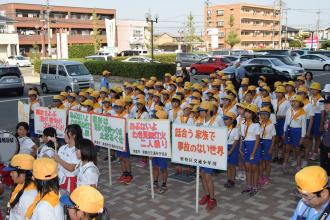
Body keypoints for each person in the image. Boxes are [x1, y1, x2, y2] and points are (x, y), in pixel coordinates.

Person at [196, 101, 217, 210]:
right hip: (201, 152)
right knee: (202, 174)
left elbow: (218, 137)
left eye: (201, 111)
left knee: (208, 176)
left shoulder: (215, 122)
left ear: (208, 111)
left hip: (210, 153)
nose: (199, 112)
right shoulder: (200, 121)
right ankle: (207, 195)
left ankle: (212, 199)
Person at [4, 154, 37, 220]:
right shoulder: (20, 186)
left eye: (13, 172)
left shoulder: (29, 196)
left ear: (23, 174)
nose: (10, 174)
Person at [53, 124, 83, 193]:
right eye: (64, 133)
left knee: (69, 201)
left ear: (74, 135)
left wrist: (59, 160)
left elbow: (71, 168)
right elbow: (57, 162)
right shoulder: (63, 148)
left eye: (67, 133)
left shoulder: (78, 150)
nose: (64, 136)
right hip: (59, 178)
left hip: (70, 180)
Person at [240, 104, 261, 197]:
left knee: (254, 168)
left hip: (253, 146)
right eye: (246, 111)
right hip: (245, 146)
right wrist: (240, 147)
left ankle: (255, 187)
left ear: (253, 114)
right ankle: (249, 186)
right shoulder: (242, 123)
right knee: (247, 167)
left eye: (249, 112)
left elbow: (257, 140)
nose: (246, 113)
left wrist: (253, 152)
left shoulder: (256, 125)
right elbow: (242, 136)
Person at [112, 99, 133, 185]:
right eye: (115, 107)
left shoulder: (127, 116)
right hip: (118, 137)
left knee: (126, 157)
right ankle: (124, 173)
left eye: (118, 107)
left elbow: (129, 128)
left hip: (125, 137)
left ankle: (129, 174)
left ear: (122, 107)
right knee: (120, 157)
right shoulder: (116, 115)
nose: (116, 109)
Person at [283, 95, 306, 172]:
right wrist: (284, 131)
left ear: (300, 103)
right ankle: (285, 164)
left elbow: (304, 126)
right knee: (287, 149)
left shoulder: (302, 112)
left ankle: (298, 165)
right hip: (289, 130)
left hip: (297, 131)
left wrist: (302, 137)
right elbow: (286, 122)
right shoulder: (289, 110)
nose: (294, 103)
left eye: (296, 102)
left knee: (297, 149)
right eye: (293, 101)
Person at [151, 110, 170, 194]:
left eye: (156, 117)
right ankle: (155, 182)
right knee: (155, 166)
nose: (154, 118)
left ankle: (164, 184)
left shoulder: (166, 128)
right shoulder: (152, 126)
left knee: (163, 168)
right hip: (154, 149)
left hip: (162, 151)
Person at [271, 86, 291, 164]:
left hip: (283, 121)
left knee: (283, 139)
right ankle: (275, 156)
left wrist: (282, 116)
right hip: (275, 121)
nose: (278, 94)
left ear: (283, 93)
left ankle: (282, 157)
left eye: (279, 93)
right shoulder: (273, 101)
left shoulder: (287, 102)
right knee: (275, 139)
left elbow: (289, 114)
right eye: (277, 92)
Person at [259, 107, 276, 186]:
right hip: (260, 142)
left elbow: (273, 137)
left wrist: (271, 148)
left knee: (267, 162)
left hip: (268, 143)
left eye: (265, 114)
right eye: (262, 114)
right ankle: (261, 176)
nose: (263, 116)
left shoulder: (271, 124)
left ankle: (267, 177)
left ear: (269, 115)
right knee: (261, 161)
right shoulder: (259, 123)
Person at [223, 112, 240, 188]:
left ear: (232, 120)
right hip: (226, 147)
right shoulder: (225, 128)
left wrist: (230, 151)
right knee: (228, 165)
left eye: (226, 119)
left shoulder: (235, 129)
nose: (225, 121)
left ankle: (232, 180)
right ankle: (228, 179)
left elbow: (236, 141)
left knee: (232, 166)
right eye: (224, 119)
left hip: (233, 148)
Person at [310, 82, 324, 161]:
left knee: (317, 136)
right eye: (312, 89)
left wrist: (321, 123)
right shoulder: (309, 97)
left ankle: (315, 152)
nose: (313, 91)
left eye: (315, 89)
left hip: (318, 117)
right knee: (311, 136)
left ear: (318, 90)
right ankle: (311, 151)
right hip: (310, 117)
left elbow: (322, 112)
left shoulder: (321, 99)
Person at [320, 97, 330, 175]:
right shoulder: (327, 115)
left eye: (327, 103)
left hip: (328, 146)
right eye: (324, 103)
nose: (325, 105)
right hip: (324, 144)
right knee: (324, 166)